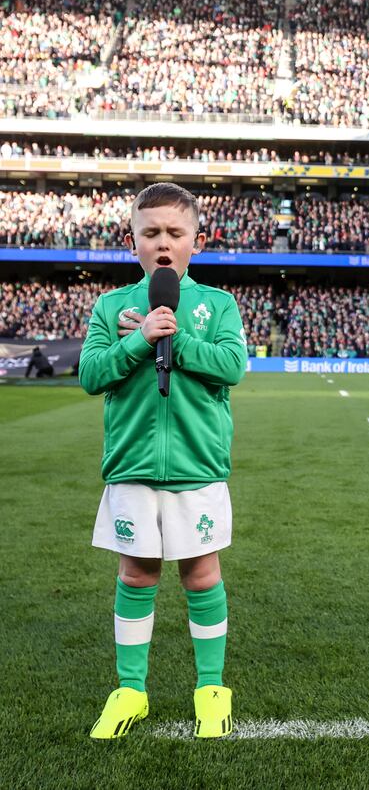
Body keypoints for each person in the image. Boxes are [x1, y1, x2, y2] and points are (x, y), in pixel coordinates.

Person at [79, 182, 248, 739]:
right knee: (136, 572)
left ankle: (211, 691)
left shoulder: (217, 305)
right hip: (131, 466)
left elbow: (231, 366)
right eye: (151, 232)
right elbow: (90, 375)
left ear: (194, 242)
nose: (163, 243)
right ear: (134, 243)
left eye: (175, 232)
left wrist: (176, 339)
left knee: (201, 575)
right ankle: (130, 692)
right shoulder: (111, 307)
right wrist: (136, 342)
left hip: (197, 468)